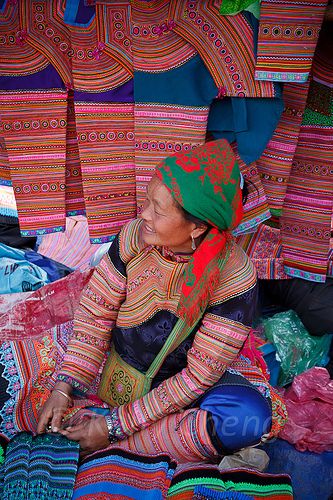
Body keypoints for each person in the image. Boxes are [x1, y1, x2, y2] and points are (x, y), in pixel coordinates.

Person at [0, 139, 286, 464]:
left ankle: (120, 445)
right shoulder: (135, 237)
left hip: (184, 388)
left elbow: (197, 378)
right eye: (147, 201)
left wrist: (112, 426)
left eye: (157, 210)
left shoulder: (235, 278)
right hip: (111, 359)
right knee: (10, 359)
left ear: (197, 228)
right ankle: (126, 440)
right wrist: (64, 386)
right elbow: (96, 316)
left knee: (245, 419)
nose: (144, 214)